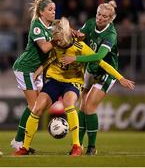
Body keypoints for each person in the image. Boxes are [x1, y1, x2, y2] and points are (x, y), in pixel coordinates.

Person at [13, 17, 134, 156]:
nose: (55, 41)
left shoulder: (80, 47)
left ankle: (76, 146)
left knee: (68, 104)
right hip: (54, 80)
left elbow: (102, 63)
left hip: (72, 81)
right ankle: (25, 147)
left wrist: (121, 78)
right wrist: (39, 71)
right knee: (37, 108)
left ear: (64, 36)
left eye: (57, 38)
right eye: (54, 39)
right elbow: (50, 59)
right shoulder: (54, 44)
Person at [61, 0, 135, 155]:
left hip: (107, 72)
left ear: (111, 19)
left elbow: (99, 56)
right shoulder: (90, 23)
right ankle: (78, 145)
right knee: (81, 106)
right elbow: (81, 39)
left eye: (105, 17)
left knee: (89, 107)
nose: (100, 18)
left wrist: (75, 59)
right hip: (91, 69)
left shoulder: (111, 34)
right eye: (99, 15)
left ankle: (92, 147)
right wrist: (77, 35)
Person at [11, 0, 56, 152]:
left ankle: (19, 140)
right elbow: (44, 48)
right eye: (50, 9)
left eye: (54, 9)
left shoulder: (51, 27)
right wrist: (58, 39)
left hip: (35, 71)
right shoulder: (37, 25)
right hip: (24, 68)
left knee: (43, 105)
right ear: (41, 12)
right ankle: (18, 141)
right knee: (34, 106)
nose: (53, 12)